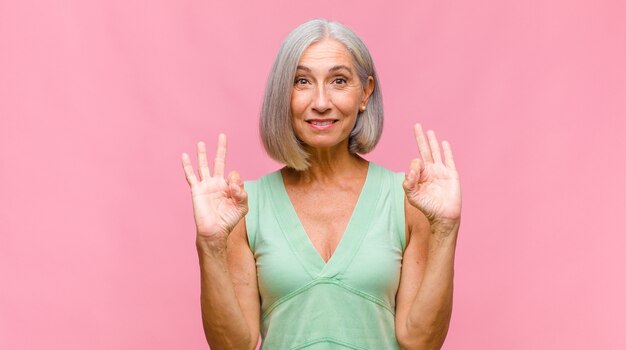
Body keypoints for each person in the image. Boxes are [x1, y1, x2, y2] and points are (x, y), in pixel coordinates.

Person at [181, 19, 462, 349]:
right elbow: (233, 345)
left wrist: (445, 228)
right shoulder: (243, 207)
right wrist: (211, 244)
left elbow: (420, 342)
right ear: (283, 95)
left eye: (339, 81)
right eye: (302, 81)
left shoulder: (408, 201)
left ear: (365, 92)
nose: (321, 102)